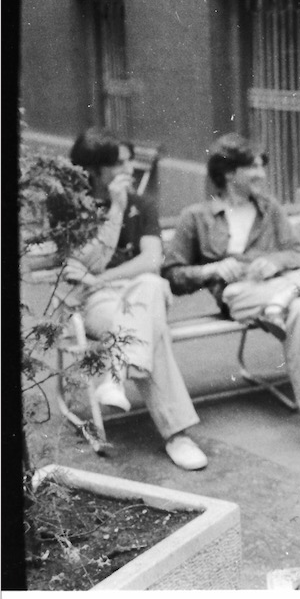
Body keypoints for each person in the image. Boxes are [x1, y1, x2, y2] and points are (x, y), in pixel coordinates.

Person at [162, 133, 300, 463]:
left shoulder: (269, 208)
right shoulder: (197, 216)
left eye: (262, 166)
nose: (261, 174)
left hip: (280, 286)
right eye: (253, 167)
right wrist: (211, 270)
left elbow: (297, 252)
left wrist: (273, 261)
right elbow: (173, 274)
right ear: (229, 172)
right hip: (240, 294)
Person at [59, 127, 207, 471]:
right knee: (150, 328)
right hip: (99, 302)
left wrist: (101, 278)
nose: (129, 170)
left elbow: (151, 261)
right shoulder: (73, 209)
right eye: (119, 163)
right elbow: (87, 262)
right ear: (93, 169)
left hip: (138, 292)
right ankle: (177, 435)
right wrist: (116, 208)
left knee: (151, 285)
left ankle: (115, 378)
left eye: (129, 161)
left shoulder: (144, 204)